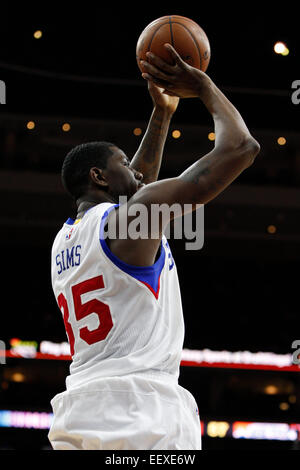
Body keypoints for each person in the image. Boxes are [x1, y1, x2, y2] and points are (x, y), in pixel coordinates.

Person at [48, 44, 260, 450]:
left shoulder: (66, 239)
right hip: (140, 411)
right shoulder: (129, 220)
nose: (136, 171)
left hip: (78, 412)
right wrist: (203, 86)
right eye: (124, 163)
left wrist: (162, 113)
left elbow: (135, 187)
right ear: (99, 176)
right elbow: (241, 148)